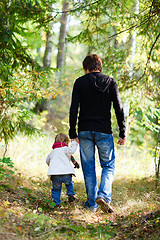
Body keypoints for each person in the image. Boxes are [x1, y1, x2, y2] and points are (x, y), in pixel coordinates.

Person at [69, 54, 126, 213]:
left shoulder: (80, 82)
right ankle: (104, 195)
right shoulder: (110, 82)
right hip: (104, 131)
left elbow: (74, 108)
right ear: (100, 66)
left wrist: (72, 131)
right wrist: (122, 131)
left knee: (88, 168)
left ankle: (92, 204)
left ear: (86, 68)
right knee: (108, 165)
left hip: (85, 130)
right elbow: (118, 108)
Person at [46, 133, 79, 208]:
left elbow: (47, 160)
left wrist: (52, 166)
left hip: (55, 174)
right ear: (66, 142)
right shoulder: (65, 149)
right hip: (66, 173)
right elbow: (72, 151)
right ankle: (70, 194)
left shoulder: (53, 152)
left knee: (56, 189)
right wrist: (74, 142)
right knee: (69, 183)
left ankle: (56, 203)